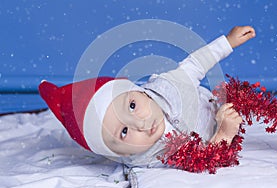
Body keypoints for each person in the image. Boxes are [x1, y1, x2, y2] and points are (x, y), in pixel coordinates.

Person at [39, 25, 256, 167]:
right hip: (219, 132)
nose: (141, 124)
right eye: (124, 132)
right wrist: (225, 133)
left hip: (208, 104)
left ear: (139, 92)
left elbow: (194, 65)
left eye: (132, 106)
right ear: (120, 154)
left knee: (245, 101)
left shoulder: (168, 87)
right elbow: (204, 161)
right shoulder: (150, 159)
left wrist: (227, 42)